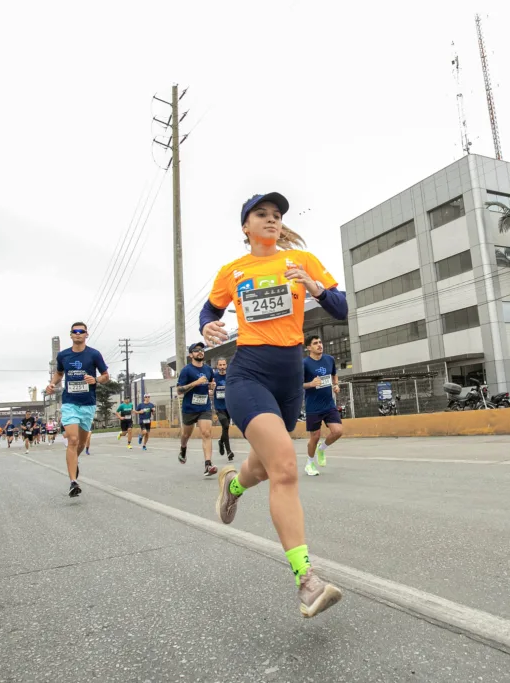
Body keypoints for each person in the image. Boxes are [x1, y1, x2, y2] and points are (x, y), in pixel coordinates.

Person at [204, 192, 348, 618]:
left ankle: (231, 486)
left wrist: (315, 287)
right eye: (262, 215)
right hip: (249, 373)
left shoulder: (301, 260)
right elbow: (208, 313)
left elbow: (339, 308)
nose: (271, 220)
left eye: (277, 215)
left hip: (290, 379)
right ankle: (307, 580)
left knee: (265, 466)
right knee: (284, 466)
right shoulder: (233, 271)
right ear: (246, 227)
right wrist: (210, 326)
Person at [46, 321, 109, 497]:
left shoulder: (94, 354)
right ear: (71, 335)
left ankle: (74, 462)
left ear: (86, 335)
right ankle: (73, 482)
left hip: (88, 404)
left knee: (81, 443)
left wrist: (95, 380)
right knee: (72, 440)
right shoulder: (63, 356)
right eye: (75, 331)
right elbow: (59, 373)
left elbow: (106, 376)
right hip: (69, 403)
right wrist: (52, 384)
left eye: (81, 331)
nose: (78, 334)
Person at [302, 335, 343, 476]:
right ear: (309, 348)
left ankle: (322, 449)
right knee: (315, 436)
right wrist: (311, 384)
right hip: (313, 406)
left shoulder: (329, 359)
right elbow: (297, 385)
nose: (319, 345)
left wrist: (336, 385)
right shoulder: (305, 363)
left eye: (320, 342)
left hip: (328, 404)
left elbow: (334, 374)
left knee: (338, 431)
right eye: (315, 343)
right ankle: (309, 463)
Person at [177, 342, 217, 476]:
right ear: (191, 354)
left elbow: (210, 385)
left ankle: (208, 465)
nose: (200, 352)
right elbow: (179, 390)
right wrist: (196, 383)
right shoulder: (186, 370)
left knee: (206, 433)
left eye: (202, 350)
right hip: (189, 408)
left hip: (204, 407)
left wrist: (212, 386)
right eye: (196, 350)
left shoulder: (208, 369)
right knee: (186, 435)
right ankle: (183, 448)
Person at [213, 358, 234, 461]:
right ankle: (229, 451)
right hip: (219, 407)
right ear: (217, 366)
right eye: (220, 365)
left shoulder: (230, 375)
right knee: (225, 425)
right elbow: (209, 386)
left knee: (226, 428)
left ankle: (221, 442)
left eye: (223, 365)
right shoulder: (214, 377)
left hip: (228, 406)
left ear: (226, 365)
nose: (222, 367)